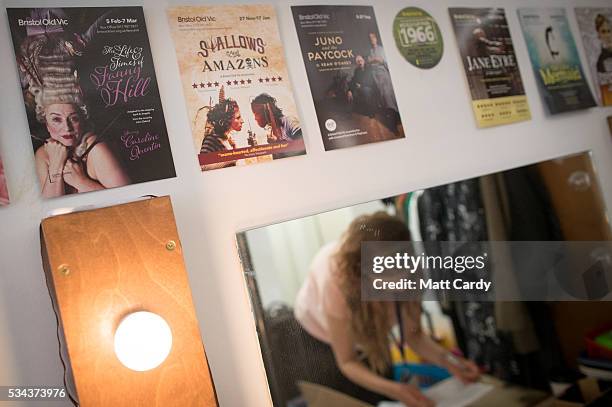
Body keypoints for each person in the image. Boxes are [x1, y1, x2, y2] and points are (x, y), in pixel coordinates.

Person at [295, 212, 480, 407]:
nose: (398, 284)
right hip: (317, 334)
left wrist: (450, 362)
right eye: (386, 278)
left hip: (366, 328)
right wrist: (394, 389)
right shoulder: (335, 283)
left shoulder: (413, 272)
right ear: (362, 271)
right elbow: (347, 361)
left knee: (385, 387)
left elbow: (414, 336)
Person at [35, 101, 129, 198]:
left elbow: (127, 198)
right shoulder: (43, 154)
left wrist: (81, 182)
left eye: (74, 118)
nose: (67, 128)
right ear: (47, 125)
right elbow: (51, 207)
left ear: (82, 120)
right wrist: (56, 163)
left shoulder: (97, 150)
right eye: (56, 119)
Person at [367, 32, 399, 115]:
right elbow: (368, 61)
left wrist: (379, 60)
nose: (372, 40)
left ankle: (393, 110)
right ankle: (387, 110)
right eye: (370, 38)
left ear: (376, 39)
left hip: (382, 71)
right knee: (379, 91)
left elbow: (385, 62)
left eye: (373, 37)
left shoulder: (382, 49)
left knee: (386, 90)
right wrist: (373, 60)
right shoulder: (370, 51)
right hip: (374, 73)